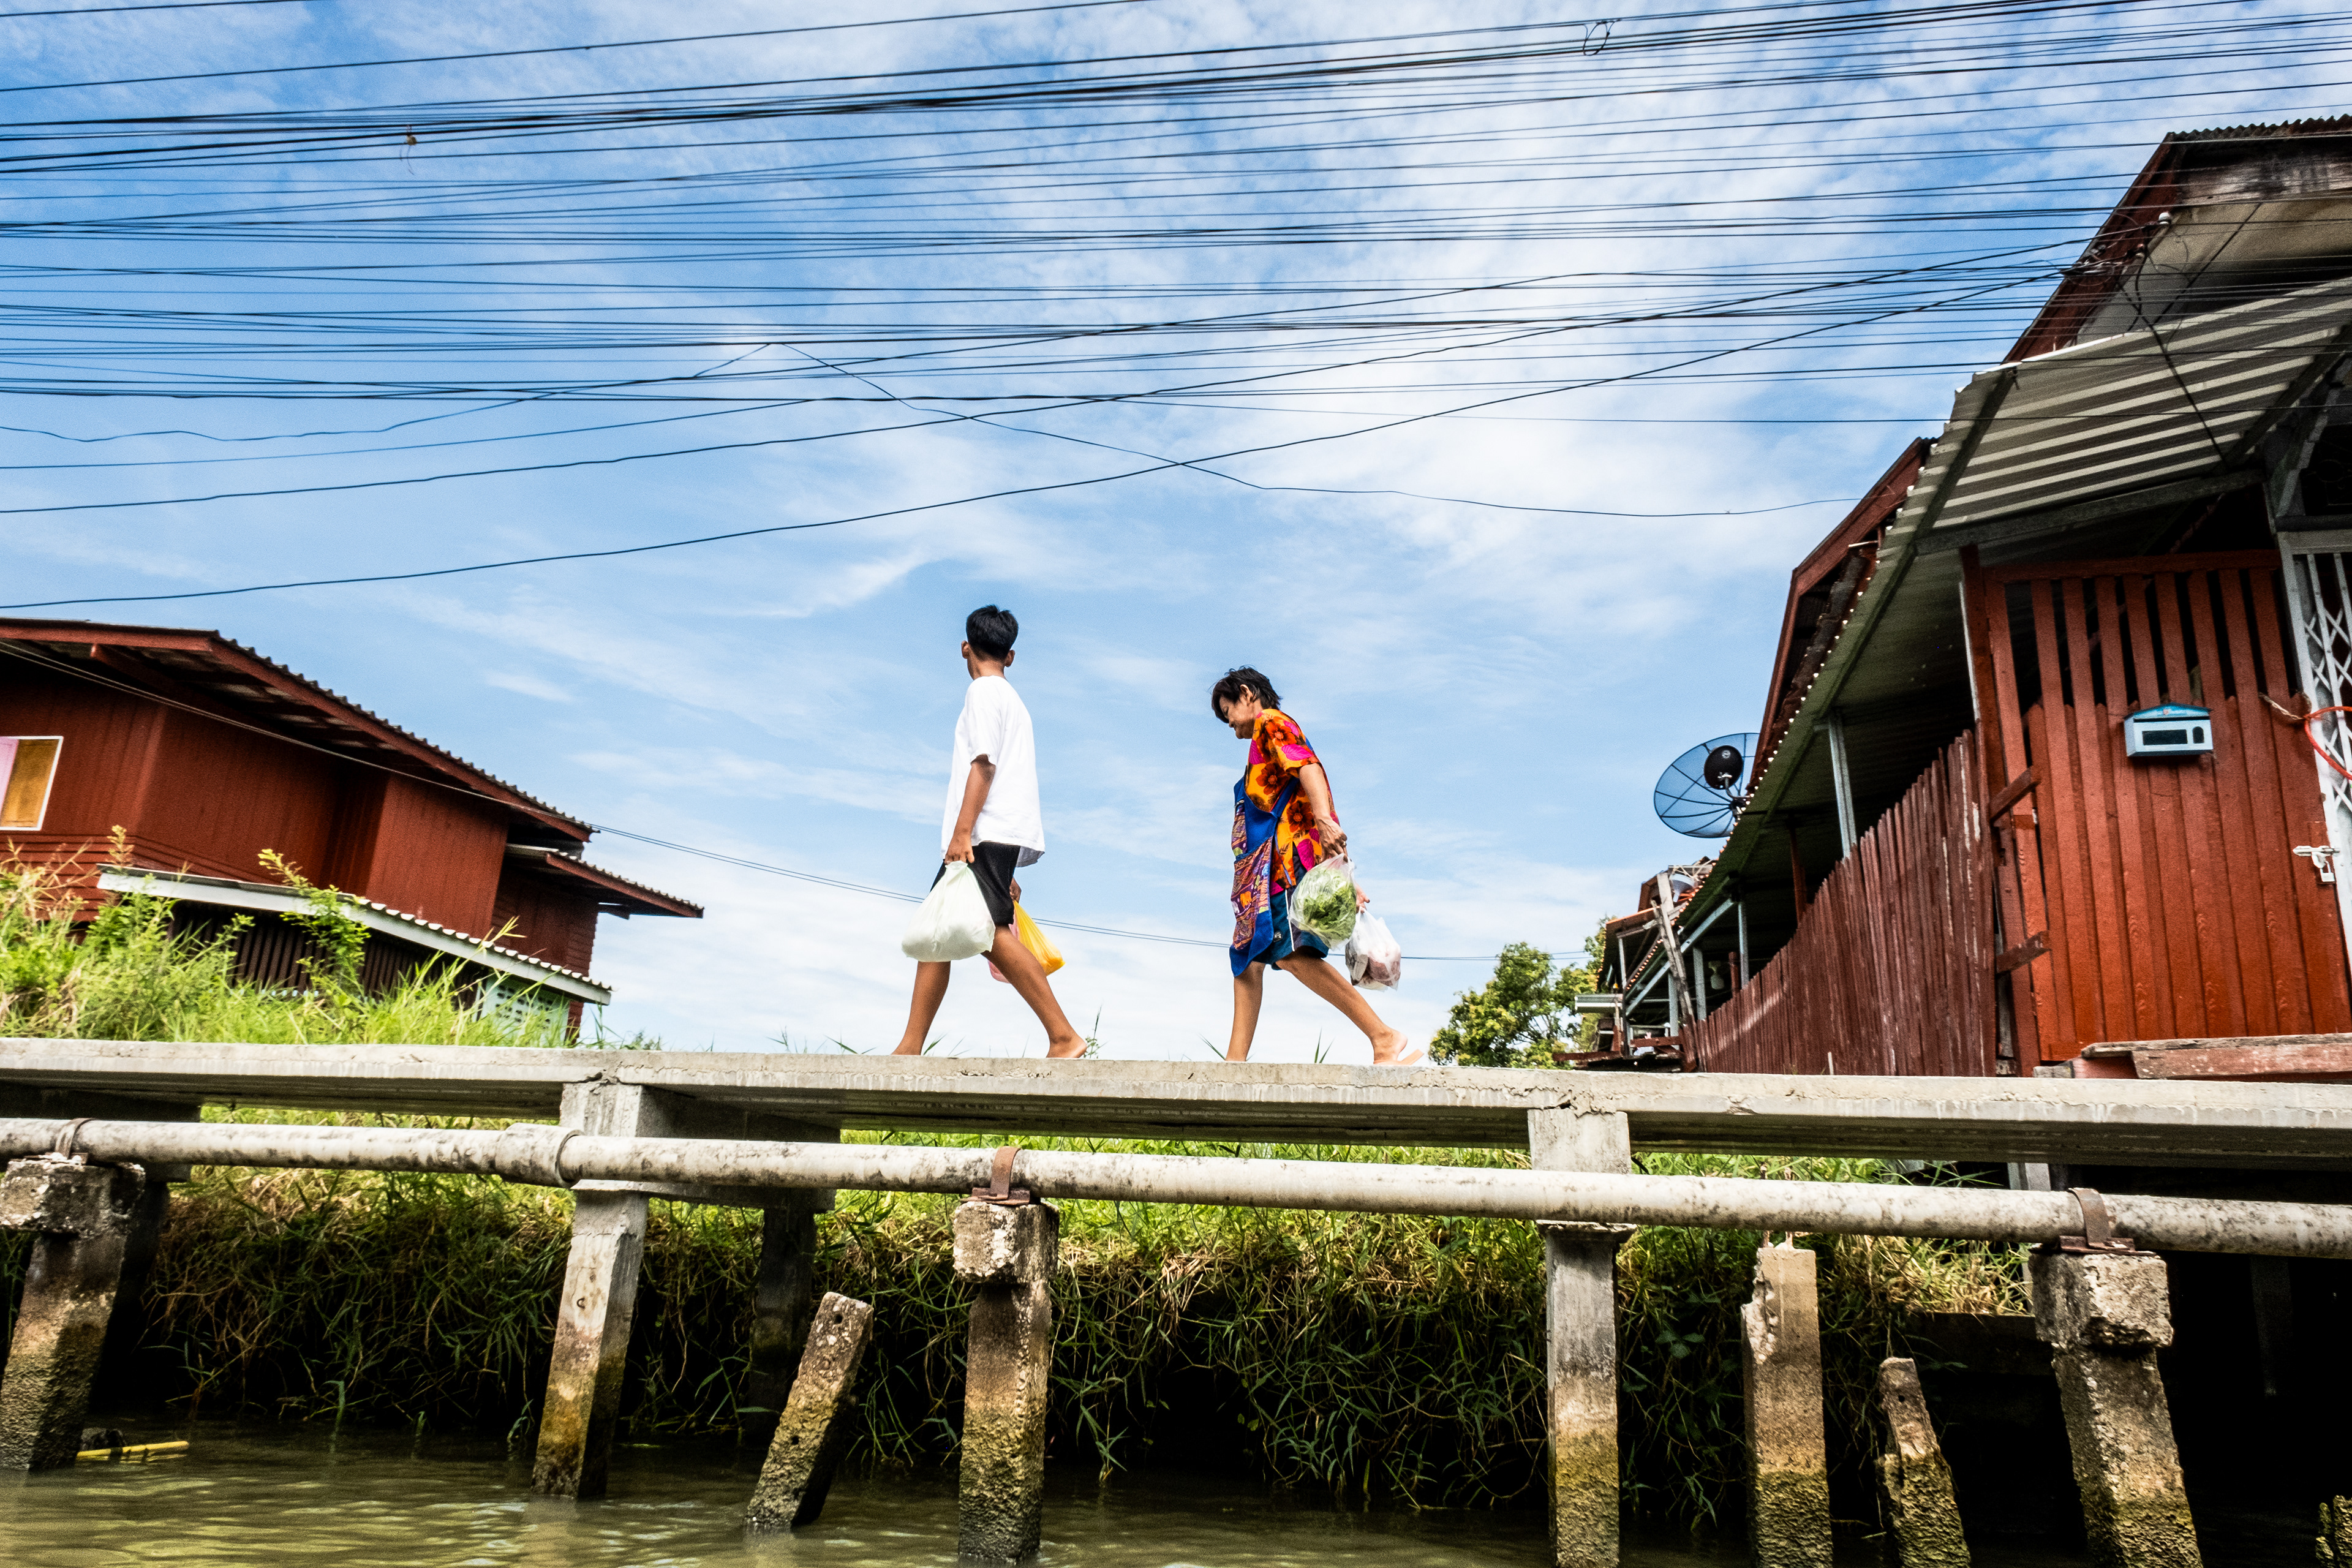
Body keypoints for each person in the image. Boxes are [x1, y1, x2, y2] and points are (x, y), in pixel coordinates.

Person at [892, 606, 1086, 1058]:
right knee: (939, 930)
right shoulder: (1013, 701)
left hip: (980, 835)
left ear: (965, 648)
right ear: (1011, 656)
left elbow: (984, 765)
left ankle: (1063, 1036)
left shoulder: (981, 694)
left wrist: (962, 836)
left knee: (988, 931)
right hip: (999, 835)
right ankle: (910, 1044)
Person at [1213, 666, 1420, 1065]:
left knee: (1292, 955)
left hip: (1285, 867)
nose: (1231, 726)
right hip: (1259, 877)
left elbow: (1308, 768)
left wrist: (1327, 822)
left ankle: (1384, 1037)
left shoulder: (1271, 724)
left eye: (1229, 713)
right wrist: (1343, 870)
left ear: (1246, 694)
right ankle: (1233, 1066)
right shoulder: (1261, 746)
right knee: (1246, 960)